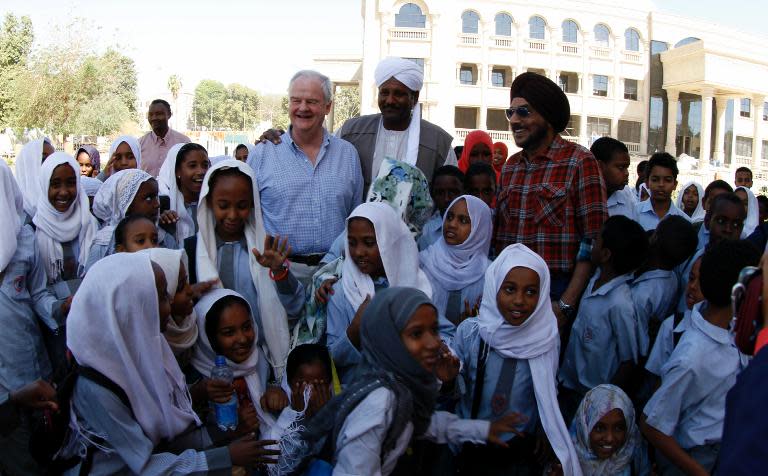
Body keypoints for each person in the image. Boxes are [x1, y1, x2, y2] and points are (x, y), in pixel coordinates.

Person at [61, 252, 278, 474]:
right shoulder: (97, 390)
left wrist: (214, 424)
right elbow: (144, 466)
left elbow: (166, 430)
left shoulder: (147, 349)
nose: (170, 306)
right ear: (130, 307)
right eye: (162, 298)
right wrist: (224, 457)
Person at [280, 287, 523, 476]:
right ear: (388, 341)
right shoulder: (379, 402)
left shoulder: (395, 384)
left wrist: (481, 430)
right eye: (417, 334)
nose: (433, 343)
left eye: (434, 330)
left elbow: (422, 422)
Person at [452, 244, 582, 475]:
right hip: (471, 441)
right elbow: (455, 387)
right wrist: (449, 379)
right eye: (510, 289)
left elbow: (546, 388)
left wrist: (545, 426)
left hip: (517, 447)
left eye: (531, 292)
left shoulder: (545, 338)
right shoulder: (472, 333)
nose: (520, 300)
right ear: (493, 288)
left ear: (542, 295)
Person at [495, 72, 607, 331]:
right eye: (510, 113)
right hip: (508, 294)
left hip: (555, 293)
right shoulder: (511, 167)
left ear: (546, 115)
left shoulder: (579, 161)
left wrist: (566, 304)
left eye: (523, 112)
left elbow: (593, 242)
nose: (514, 120)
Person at [641, 240, 760, 475]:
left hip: (726, 445)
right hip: (696, 458)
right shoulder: (692, 357)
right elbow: (651, 424)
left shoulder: (736, 329)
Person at [186, 159, 304, 381]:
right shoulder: (191, 253)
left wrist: (280, 273)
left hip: (259, 363)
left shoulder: (264, 250)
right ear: (209, 202)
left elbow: (295, 308)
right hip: (207, 367)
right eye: (223, 205)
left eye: (241, 206)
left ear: (252, 205)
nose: (232, 215)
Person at [248, 70, 363, 284]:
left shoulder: (348, 155)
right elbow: (249, 218)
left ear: (328, 106)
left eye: (311, 101)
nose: (302, 108)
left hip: (336, 274)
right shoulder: (262, 154)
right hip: (279, 273)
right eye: (296, 100)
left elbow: (355, 216)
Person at [327, 201, 436, 382]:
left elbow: (443, 334)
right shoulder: (342, 291)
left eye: (369, 243)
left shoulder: (416, 284)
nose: (359, 252)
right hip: (359, 391)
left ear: (389, 242)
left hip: (408, 390)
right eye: (352, 243)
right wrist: (354, 330)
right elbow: (331, 358)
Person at [0, 160, 61, 475]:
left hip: (33, 368)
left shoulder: (24, 236)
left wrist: (60, 310)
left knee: (39, 452)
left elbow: (37, 293)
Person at [559, 216, 648, 421]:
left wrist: (606, 401)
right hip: (569, 383)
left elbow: (628, 360)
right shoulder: (594, 279)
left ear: (606, 254)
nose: (593, 241)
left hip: (593, 396)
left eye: (598, 238)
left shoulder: (621, 303)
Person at [188, 289, 280, 438]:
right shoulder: (196, 380)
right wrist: (231, 431)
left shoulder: (261, 359)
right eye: (229, 332)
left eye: (246, 327)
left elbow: (270, 384)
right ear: (209, 338)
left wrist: (275, 392)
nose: (243, 339)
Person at [420, 195, 492, 325]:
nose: (452, 225)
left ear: (479, 228)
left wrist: (472, 325)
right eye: (450, 217)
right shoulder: (423, 261)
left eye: (463, 220)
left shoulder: (489, 273)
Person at [632, 216, 697, 356]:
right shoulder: (672, 278)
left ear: (655, 239)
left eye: (655, 231)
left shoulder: (642, 294)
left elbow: (636, 345)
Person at [88, 169, 176, 269]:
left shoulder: (164, 238)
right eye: (148, 199)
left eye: (156, 197)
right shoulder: (104, 244)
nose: (157, 204)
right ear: (126, 205)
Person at [674, 192, 745, 315]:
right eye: (721, 221)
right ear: (707, 221)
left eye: (735, 224)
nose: (728, 230)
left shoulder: (744, 272)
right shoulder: (689, 259)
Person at [645, 254, 704, 383]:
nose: (693, 286)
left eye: (703, 283)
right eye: (691, 278)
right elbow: (656, 378)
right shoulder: (672, 326)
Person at [569, 384, 650, 476]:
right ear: (584, 427)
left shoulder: (635, 454)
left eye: (618, 428)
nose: (609, 438)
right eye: (599, 428)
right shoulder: (566, 459)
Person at [157, 142, 210, 244]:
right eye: (192, 166)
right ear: (177, 171)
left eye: (205, 165)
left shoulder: (212, 205)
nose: (201, 172)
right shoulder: (165, 208)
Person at [635, 153, 689, 231]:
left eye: (667, 180)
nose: (661, 185)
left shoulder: (685, 222)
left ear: (675, 185)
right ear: (646, 183)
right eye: (655, 180)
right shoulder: (633, 214)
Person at [138, 99, 191, 177]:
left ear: (169, 114)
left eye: (159, 114)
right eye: (150, 114)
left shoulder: (183, 142)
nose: (154, 118)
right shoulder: (139, 144)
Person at [418, 165, 464, 251]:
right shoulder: (426, 232)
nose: (446, 198)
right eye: (440, 193)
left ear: (464, 192)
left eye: (453, 192)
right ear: (433, 196)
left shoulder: (475, 227)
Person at [590, 137, 637, 220]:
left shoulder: (628, 196)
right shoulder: (582, 196)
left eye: (627, 167)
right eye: (621, 167)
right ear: (599, 166)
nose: (627, 173)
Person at [14, 138, 55, 219]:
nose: (51, 164)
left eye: (53, 158)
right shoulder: (14, 212)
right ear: (28, 163)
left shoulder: (63, 199)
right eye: (43, 158)